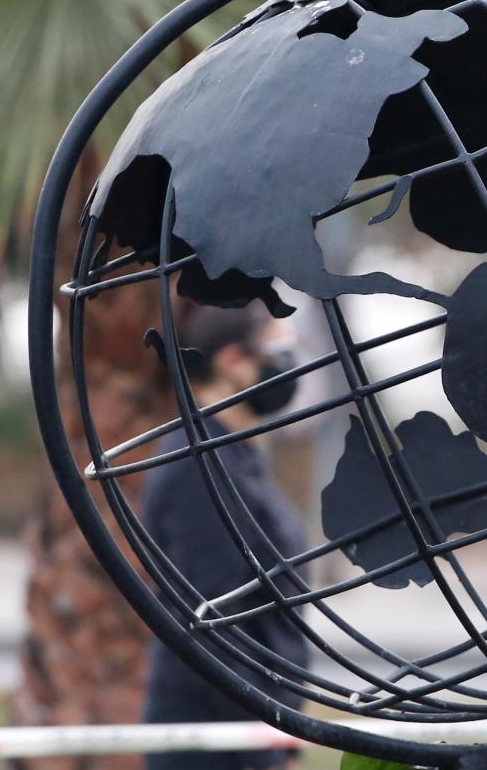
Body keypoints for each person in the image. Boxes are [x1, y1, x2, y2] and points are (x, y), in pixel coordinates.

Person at [141, 303, 309, 769]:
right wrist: (263, 741)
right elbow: (213, 619)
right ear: (232, 360)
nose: (289, 364)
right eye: (277, 351)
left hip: (247, 730)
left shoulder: (237, 458)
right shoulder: (198, 466)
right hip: (214, 737)